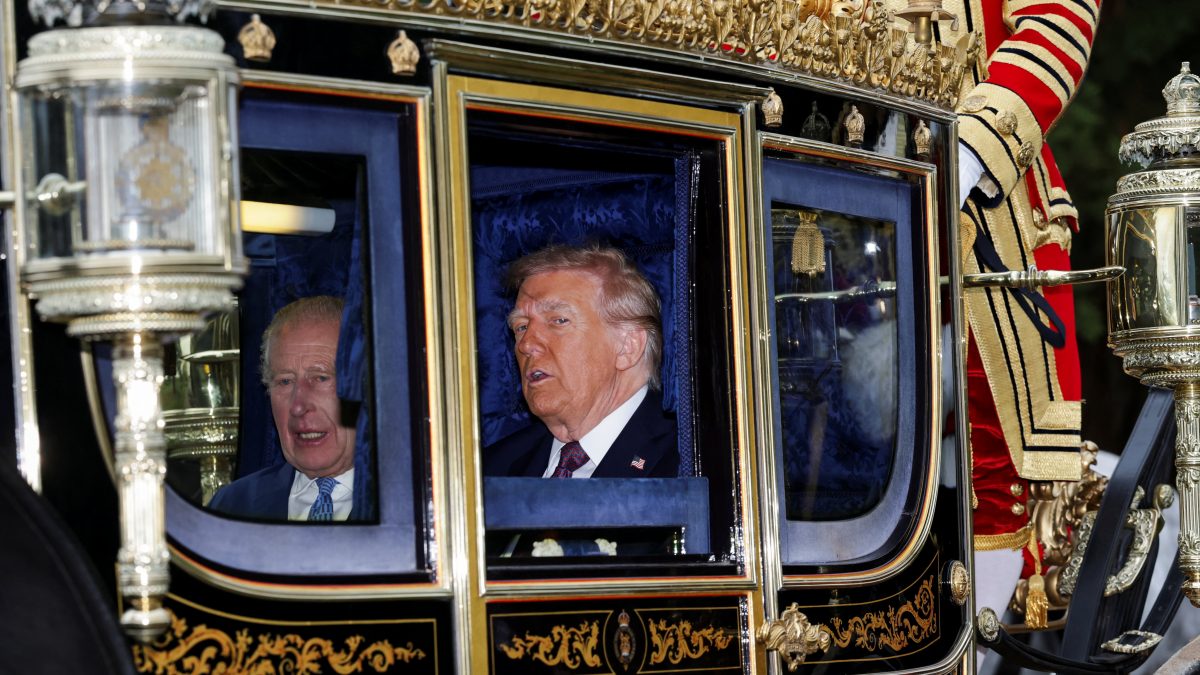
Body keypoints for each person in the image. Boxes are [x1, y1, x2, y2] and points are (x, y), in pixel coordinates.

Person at [931, 0, 1099, 645]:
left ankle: (976, 641)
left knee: (1004, 473)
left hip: (990, 212)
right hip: (817, 186)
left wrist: (972, 151)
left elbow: (1058, 21)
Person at [483, 244, 678, 478]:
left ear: (628, 346)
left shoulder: (691, 462)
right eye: (521, 326)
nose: (526, 344)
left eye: (558, 320)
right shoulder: (491, 471)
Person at [209, 296, 358, 521]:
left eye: (320, 378)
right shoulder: (231, 508)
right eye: (285, 382)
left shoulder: (412, 503)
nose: (298, 406)